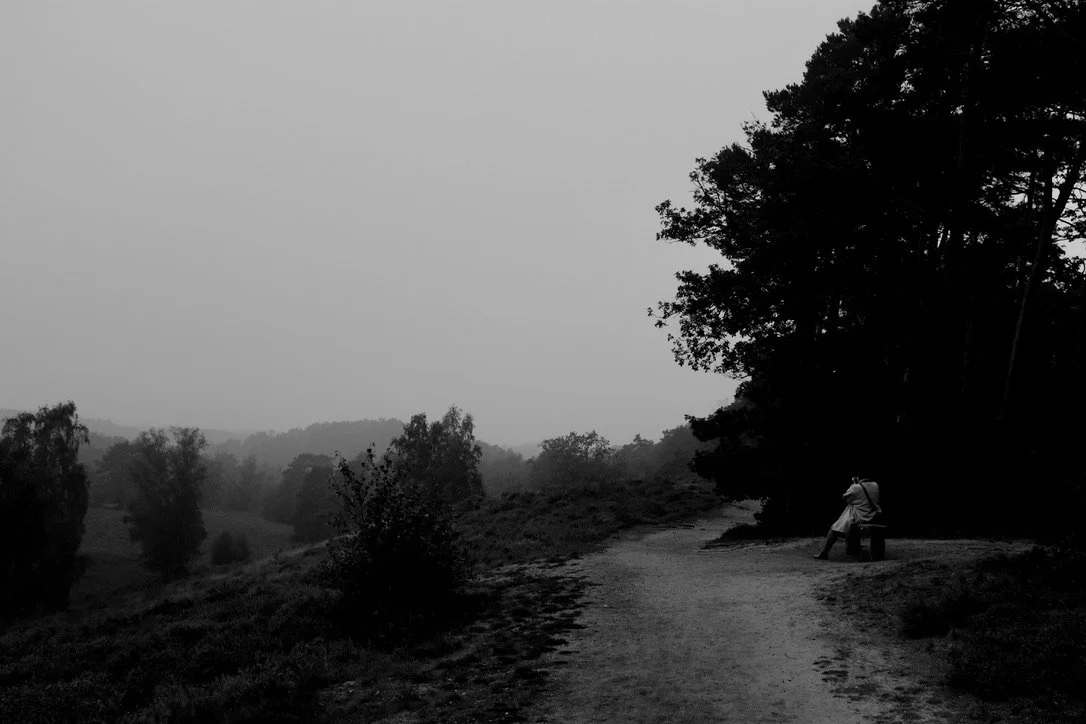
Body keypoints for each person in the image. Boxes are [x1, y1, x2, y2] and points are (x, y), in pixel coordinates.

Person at [814, 476, 881, 560]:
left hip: (860, 516)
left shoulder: (855, 487)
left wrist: (854, 484)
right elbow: (863, 498)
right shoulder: (875, 485)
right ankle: (854, 547)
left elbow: (845, 498)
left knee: (835, 528)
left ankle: (824, 552)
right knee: (849, 514)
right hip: (873, 515)